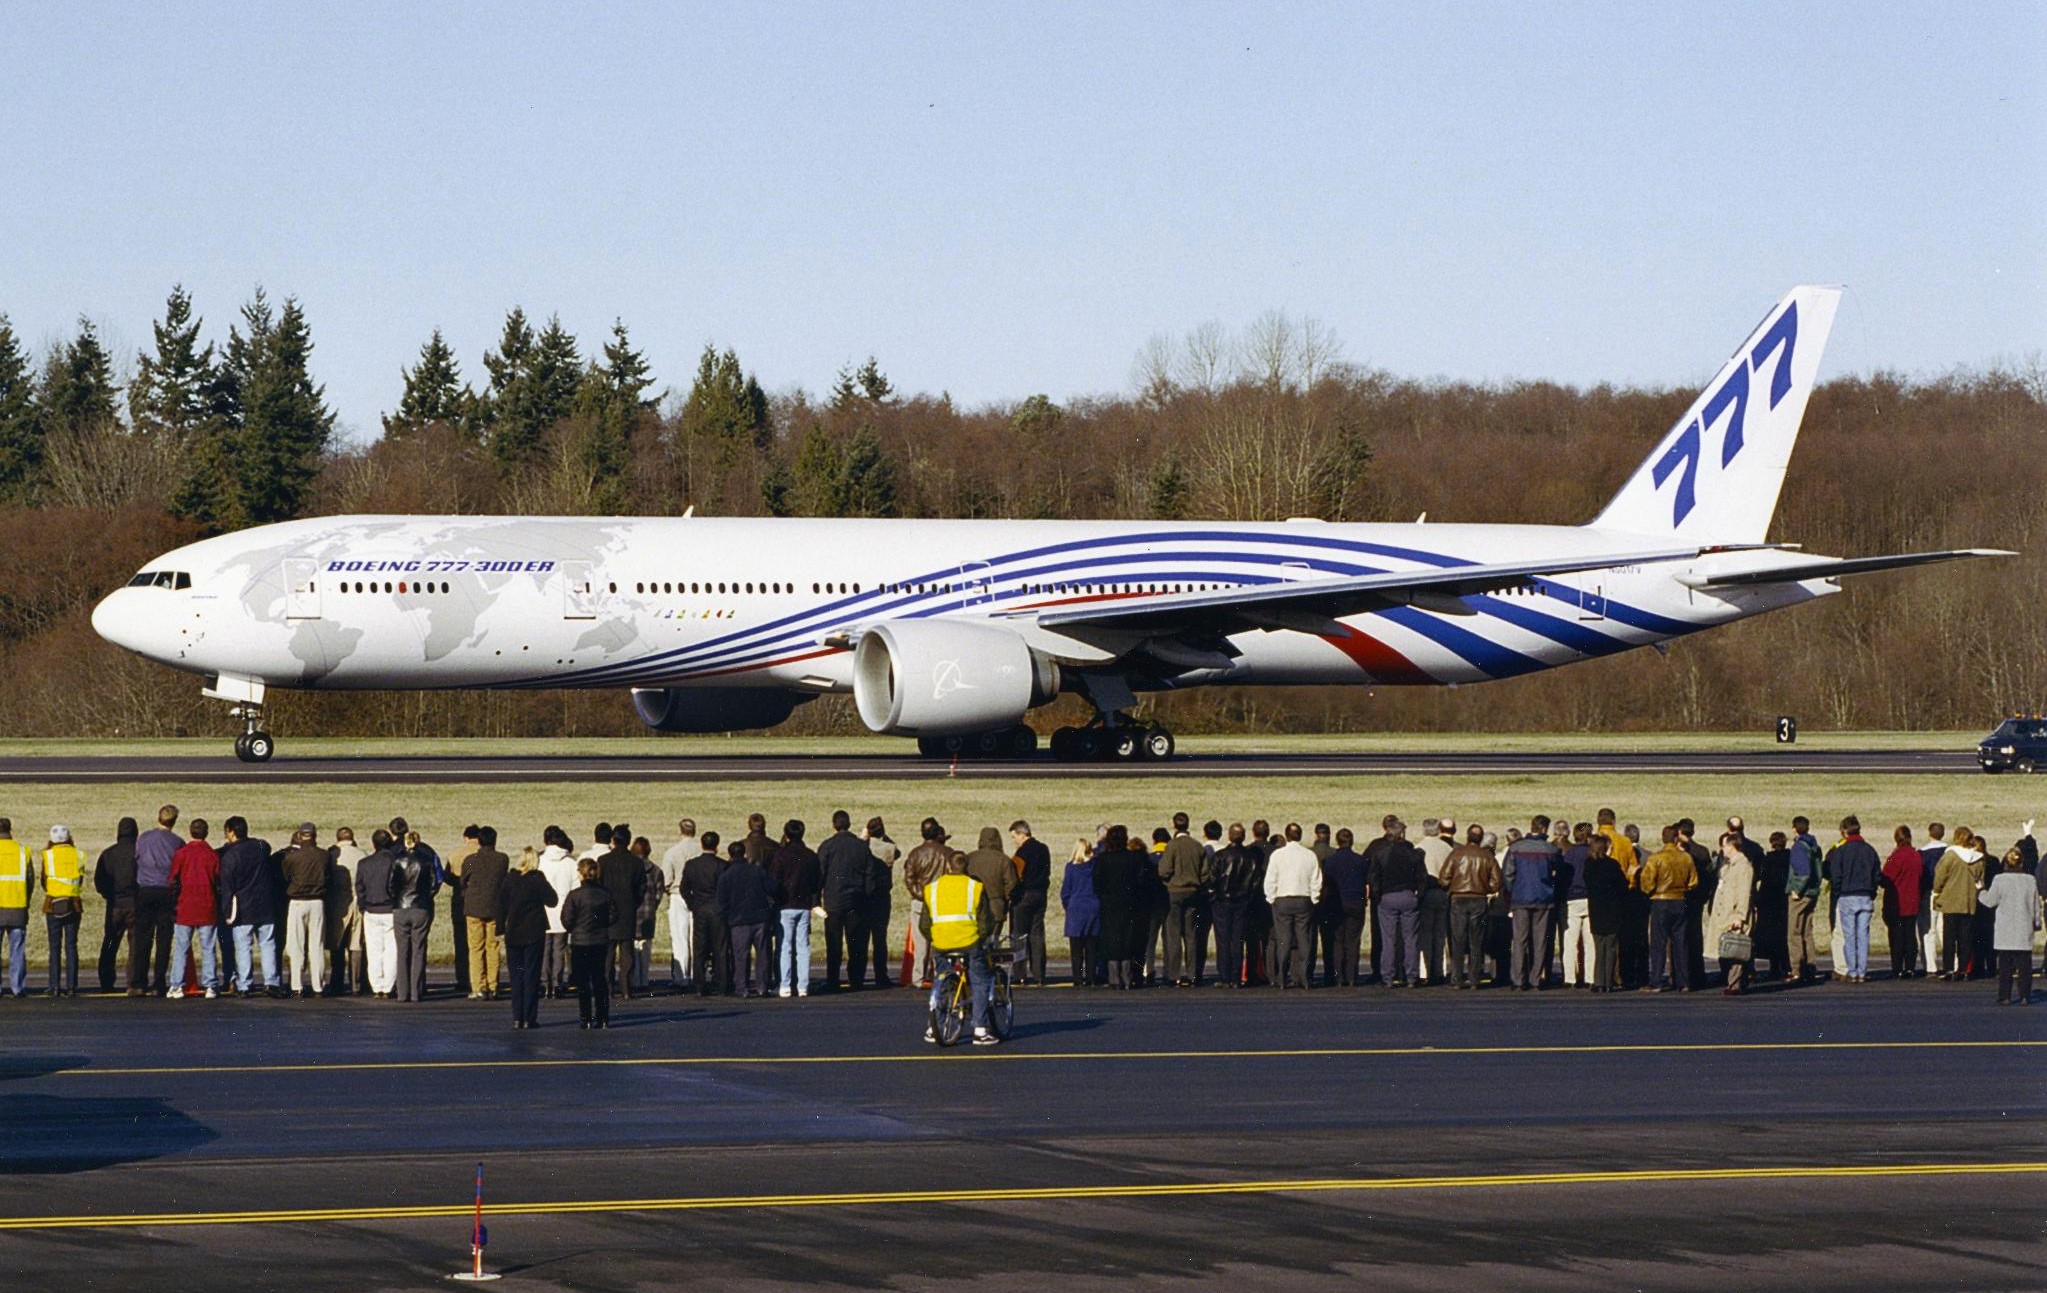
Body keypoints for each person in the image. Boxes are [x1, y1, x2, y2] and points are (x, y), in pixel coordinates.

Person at [919, 851, 998, 1045]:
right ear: (967, 869)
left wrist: (935, 937)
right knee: (980, 980)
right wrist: (982, 938)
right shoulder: (975, 887)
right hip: (969, 941)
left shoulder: (932, 889)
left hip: (941, 943)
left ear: (947, 867)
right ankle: (980, 1029)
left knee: (942, 978)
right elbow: (986, 921)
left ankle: (934, 1026)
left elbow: (924, 924)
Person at [216, 817, 281, 998]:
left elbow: (227, 886)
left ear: (231, 832)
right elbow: (266, 847)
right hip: (265, 905)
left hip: (243, 907)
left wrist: (227, 910)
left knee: (244, 946)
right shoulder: (261, 847)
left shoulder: (230, 857)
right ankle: (271, 981)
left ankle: (245, 984)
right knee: (268, 944)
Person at [499, 846, 558, 1029]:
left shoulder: (510, 878)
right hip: (534, 933)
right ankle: (529, 1017)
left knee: (516, 977)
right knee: (531, 976)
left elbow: (500, 905)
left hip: (514, 933)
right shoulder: (537, 879)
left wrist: (500, 929)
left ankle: (517, 1017)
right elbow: (552, 900)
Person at [717, 835, 780, 997]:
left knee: (741, 956)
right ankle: (762, 986)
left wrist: (726, 917)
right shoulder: (757, 870)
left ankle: (742, 987)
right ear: (744, 853)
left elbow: (721, 901)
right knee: (763, 954)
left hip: (738, 921)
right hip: (760, 918)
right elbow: (773, 888)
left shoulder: (726, 875)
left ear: (730, 855)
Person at [1638, 825, 1698, 992]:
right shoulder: (1686, 858)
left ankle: (1656, 981)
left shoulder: (1656, 858)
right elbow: (1693, 882)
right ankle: (1684, 981)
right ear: (1676, 839)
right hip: (1680, 900)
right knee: (1681, 943)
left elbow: (1647, 882)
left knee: (1658, 943)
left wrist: (1650, 891)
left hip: (1660, 901)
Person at [1504, 815, 1561, 991]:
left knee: (1520, 940)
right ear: (1544, 829)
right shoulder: (1551, 849)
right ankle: (1536, 978)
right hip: (1543, 899)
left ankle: (1519, 979)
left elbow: (1507, 875)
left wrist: (1513, 891)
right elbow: (1558, 873)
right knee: (1539, 940)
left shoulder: (1515, 848)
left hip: (1521, 898)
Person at [1441, 825, 1502, 989]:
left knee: (1458, 939)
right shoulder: (1487, 856)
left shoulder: (1456, 854)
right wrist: (1484, 888)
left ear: (1467, 836)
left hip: (1458, 900)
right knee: (1477, 940)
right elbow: (1496, 882)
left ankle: (1457, 978)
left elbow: (1444, 878)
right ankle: (1474, 979)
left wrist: (1452, 887)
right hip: (1479, 901)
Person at [560, 858, 618, 1027]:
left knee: (583, 983)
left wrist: (575, 927)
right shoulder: (605, 894)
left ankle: (585, 1018)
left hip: (580, 942)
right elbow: (614, 915)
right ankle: (603, 1017)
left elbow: (566, 919)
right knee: (600, 980)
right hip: (600, 940)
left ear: (581, 874)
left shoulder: (575, 896)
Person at [1978, 848, 2041, 1005]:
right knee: (2025, 966)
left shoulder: (1999, 880)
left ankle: (2005, 995)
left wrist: (1980, 891)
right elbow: (2035, 905)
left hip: (2005, 928)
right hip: (2023, 926)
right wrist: (2037, 922)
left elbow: (1990, 901)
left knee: (2005, 966)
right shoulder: (2030, 880)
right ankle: (2025, 995)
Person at [1264, 824, 1323, 990]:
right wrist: (1314, 898)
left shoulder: (1278, 855)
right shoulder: (1309, 855)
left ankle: (1282, 977)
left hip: (1282, 899)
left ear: (1287, 836)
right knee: (1304, 939)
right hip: (1303, 899)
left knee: (1284, 940)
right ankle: (1304, 977)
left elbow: (1270, 879)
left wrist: (1271, 898)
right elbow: (1316, 879)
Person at [767, 819, 821, 998]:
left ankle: (785, 984)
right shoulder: (810, 855)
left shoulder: (781, 856)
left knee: (785, 946)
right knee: (803, 946)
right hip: (804, 905)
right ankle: (803, 985)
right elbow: (816, 882)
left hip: (784, 905)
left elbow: (774, 882)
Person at [1365, 820, 1423, 988]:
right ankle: (1411, 976)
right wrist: (1419, 894)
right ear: (1402, 834)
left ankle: (1388, 976)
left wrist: (1378, 896)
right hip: (1408, 895)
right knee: (1410, 939)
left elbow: (1373, 878)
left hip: (1388, 897)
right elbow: (1422, 877)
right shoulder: (1414, 854)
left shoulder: (1381, 855)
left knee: (1388, 939)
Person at [1824, 816, 1881, 984]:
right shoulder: (1870, 850)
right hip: (1865, 895)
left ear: (1845, 831)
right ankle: (1862, 971)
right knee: (1863, 936)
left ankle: (1852, 970)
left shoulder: (1841, 851)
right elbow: (1877, 873)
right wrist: (1872, 891)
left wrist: (1839, 890)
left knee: (1849, 936)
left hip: (1847, 895)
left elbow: (1836, 875)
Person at [169, 819, 222, 999]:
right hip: (207, 906)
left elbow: (173, 879)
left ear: (190, 832)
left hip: (185, 906)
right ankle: (210, 985)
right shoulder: (212, 855)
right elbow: (218, 881)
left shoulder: (182, 854)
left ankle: (177, 985)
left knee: (181, 947)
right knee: (208, 948)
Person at [818, 810, 871, 992]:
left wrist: (816, 899)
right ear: (848, 824)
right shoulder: (861, 846)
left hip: (833, 901)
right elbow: (868, 874)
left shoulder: (827, 846)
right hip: (855, 900)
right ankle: (856, 979)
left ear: (834, 824)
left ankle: (833, 979)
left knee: (833, 943)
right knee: (856, 942)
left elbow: (820, 874)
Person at [131, 805, 180, 997]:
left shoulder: (143, 838)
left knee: (142, 938)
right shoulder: (177, 841)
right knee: (163, 939)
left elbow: (136, 859)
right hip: (166, 892)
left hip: (145, 890)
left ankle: (138, 981)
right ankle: (159, 982)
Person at [278, 823, 331, 998]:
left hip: (297, 901)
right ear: (315, 835)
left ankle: (297, 985)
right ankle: (318, 985)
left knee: (296, 945)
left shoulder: (292, 858)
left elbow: (286, 877)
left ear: (300, 836)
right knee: (317, 945)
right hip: (317, 901)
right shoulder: (324, 856)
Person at [1158, 812, 1209, 988]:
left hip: (1174, 892)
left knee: (1173, 935)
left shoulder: (1171, 846)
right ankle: (1193, 973)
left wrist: (1169, 881)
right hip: (1193, 892)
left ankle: (1174, 975)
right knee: (1191, 935)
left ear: (1174, 825)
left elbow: (1164, 870)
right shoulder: (1197, 846)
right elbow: (1204, 874)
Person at [458, 825, 510, 1000]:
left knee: (475, 948)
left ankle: (478, 986)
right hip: (495, 907)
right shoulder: (502, 859)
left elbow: (463, 881)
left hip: (473, 907)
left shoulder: (471, 859)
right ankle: (493, 985)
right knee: (493, 947)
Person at [901, 820, 952, 988]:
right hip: (942, 902)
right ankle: (940, 974)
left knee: (921, 941)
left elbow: (909, 878)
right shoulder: (947, 853)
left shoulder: (916, 853)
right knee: (940, 940)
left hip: (920, 902)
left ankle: (918, 977)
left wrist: (921, 895)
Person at [595, 825, 644, 999]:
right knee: (627, 953)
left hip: (607, 912)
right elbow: (641, 889)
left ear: (613, 841)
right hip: (627, 912)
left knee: (607, 954)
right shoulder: (636, 863)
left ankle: (608, 988)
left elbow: (598, 886)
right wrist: (632, 904)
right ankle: (626, 988)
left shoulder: (603, 861)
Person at [1207, 824, 1258, 988]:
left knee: (1223, 939)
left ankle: (1224, 976)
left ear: (1229, 836)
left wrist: (1214, 897)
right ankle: (1236, 977)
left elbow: (1212, 879)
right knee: (1237, 940)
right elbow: (1255, 882)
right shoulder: (1250, 857)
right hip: (1242, 902)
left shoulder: (1220, 856)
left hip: (1222, 901)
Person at [92, 817, 139, 995]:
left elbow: (99, 880)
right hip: (135, 904)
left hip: (114, 904)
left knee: (110, 942)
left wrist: (108, 895)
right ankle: (133, 982)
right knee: (135, 945)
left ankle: (106, 981)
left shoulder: (108, 854)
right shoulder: (139, 852)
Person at [1093, 826, 1144, 989]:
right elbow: (1139, 881)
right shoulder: (1133, 859)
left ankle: (1114, 978)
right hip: (1129, 904)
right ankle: (1127, 977)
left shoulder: (1103, 859)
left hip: (1109, 905)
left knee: (1111, 940)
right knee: (1128, 940)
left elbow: (1097, 884)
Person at [1931, 828, 1985, 980]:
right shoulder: (1978, 858)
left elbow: (1940, 876)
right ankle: (1963, 969)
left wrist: (1937, 891)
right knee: (1965, 938)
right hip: (1968, 902)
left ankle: (1948, 969)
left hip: (1950, 901)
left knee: (1949, 938)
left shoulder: (1950, 856)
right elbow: (1981, 880)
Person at [1705, 832, 1756, 994]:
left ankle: (1735, 983)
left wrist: (1740, 916)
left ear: (1733, 846)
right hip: (1724, 914)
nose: (1722, 849)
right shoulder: (1728, 866)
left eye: (1725, 845)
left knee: (1737, 950)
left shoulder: (1743, 867)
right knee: (1728, 948)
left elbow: (1743, 893)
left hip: (1734, 915)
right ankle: (1733, 981)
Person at [390, 831, 438, 1003]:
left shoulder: (397, 860)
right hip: (421, 907)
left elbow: (391, 884)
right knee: (418, 950)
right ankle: (416, 992)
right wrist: (425, 897)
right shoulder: (426, 859)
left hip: (401, 907)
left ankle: (402, 993)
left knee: (402, 951)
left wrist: (397, 899)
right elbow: (434, 884)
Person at [962, 826, 1019, 969]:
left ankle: (972, 971)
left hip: (973, 906)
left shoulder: (969, 858)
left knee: (974, 943)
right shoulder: (1003, 860)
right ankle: (988, 971)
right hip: (996, 905)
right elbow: (1011, 883)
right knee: (991, 944)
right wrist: (1004, 897)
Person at [682, 829, 730, 996]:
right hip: (718, 910)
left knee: (700, 948)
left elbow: (684, 889)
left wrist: (693, 904)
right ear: (716, 846)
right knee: (720, 948)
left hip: (700, 909)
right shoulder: (723, 866)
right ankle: (722, 984)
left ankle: (699, 985)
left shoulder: (692, 865)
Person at [40, 825, 85, 997]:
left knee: (55, 946)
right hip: (74, 904)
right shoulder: (78, 855)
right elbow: (79, 880)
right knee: (72, 946)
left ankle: (54, 985)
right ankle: (72, 986)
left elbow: (44, 880)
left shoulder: (48, 855)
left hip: (53, 904)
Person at [1320, 828, 1368, 987]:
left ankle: (1338, 976)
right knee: (1353, 941)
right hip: (1356, 902)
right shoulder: (1361, 861)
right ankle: (1352, 976)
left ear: (1337, 842)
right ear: (1352, 841)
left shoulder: (1329, 862)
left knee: (1338, 940)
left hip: (1336, 903)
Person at [355, 829, 400, 998]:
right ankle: (388, 986)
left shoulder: (364, 863)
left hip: (371, 910)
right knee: (391, 950)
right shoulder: (396, 861)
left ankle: (377, 986)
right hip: (391, 909)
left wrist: (363, 906)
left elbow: (359, 887)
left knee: (374, 951)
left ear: (374, 844)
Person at [536, 825, 579, 997]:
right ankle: (557, 982)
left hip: (543, 911)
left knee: (544, 950)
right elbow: (576, 888)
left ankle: (544, 982)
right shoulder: (570, 862)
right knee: (559, 949)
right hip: (563, 911)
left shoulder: (539, 861)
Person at [1008, 820, 1052, 987]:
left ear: (1022, 834)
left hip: (1024, 896)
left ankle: (1020, 974)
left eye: (1014, 837)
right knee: (1037, 934)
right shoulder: (1043, 848)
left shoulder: (1021, 854)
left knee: (1019, 936)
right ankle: (1039, 974)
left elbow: (1015, 877)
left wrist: (1013, 895)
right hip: (1040, 894)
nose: (1014, 840)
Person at [1582, 834, 1626, 991]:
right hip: (1613, 909)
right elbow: (1623, 886)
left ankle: (1599, 980)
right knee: (1611, 947)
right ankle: (1608, 981)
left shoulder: (1589, 865)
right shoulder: (1612, 865)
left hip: (1596, 909)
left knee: (1599, 947)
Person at [660, 819, 700, 990]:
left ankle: (682, 976)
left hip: (677, 895)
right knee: (695, 937)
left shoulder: (673, 852)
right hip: (698, 896)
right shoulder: (700, 850)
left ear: (680, 831)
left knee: (679, 937)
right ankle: (695, 974)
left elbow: (666, 879)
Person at [325, 827, 366, 995]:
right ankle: (357, 983)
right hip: (358, 902)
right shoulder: (361, 854)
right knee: (356, 945)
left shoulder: (333, 855)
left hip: (338, 903)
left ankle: (337, 982)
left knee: (337, 945)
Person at [1881, 825, 1925, 980]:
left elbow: (1885, 877)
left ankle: (1897, 967)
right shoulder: (1916, 855)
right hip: (1912, 900)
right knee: (1910, 936)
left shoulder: (1896, 856)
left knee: (1897, 937)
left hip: (1897, 902)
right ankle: (1910, 967)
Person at [1784, 816, 1824, 983]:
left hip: (1801, 894)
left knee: (1794, 932)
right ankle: (1810, 967)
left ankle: (1796, 969)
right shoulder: (1814, 845)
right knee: (1806, 931)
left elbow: (1803, 872)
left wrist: (1796, 890)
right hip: (1813, 892)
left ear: (1795, 828)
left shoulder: (1799, 847)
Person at [1416, 817, 1455, 984]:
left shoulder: (1419, 847)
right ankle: (1439, 970)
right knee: (1440, 934)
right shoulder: (1446, 848)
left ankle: (1425, 971)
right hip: (1442, 893)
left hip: (1425, 894)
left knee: (1425, 934)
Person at [1556, 823, 1593, 988]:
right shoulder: (1592, 854)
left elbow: (1562, 877)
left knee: (1570, 941)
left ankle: (1570, 977)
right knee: (1589, 941)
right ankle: (1590, 977)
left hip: (1572, 899)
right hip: (1589, 898)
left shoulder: (1569, 854)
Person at [1060, 837, 1101, 986]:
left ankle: (1078, 977)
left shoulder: (1071, 867)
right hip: (1093, 905)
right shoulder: (1095, 866)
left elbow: (1066, 890)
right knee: (1091, 945)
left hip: (1076, 906)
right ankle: (1091, 976)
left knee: (1076, 947)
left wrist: (1068, 904)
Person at [862, 818, 898, 989]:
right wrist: (883, 836)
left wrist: (864, 838)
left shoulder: (863, 847)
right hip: (882, 896)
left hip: (864, 896)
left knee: (861, 937)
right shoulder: (889, 848)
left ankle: (858, 974)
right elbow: (897, 852)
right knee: (880, 938)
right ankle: (880, 975)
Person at [0, 818, 32, 998]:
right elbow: (30, 881)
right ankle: (17, 987)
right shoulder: (22, 851)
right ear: (10, 830)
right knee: (17, 949)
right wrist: (25, 901)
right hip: (17, 906)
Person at [630, 835, 663, 993]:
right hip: (649, 913)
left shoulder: (631, 869)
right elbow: (658, 894)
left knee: (634, 948)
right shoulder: (656, 870)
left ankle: (635, 979)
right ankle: (644, 979)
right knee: (646, 948)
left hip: (633, 912)